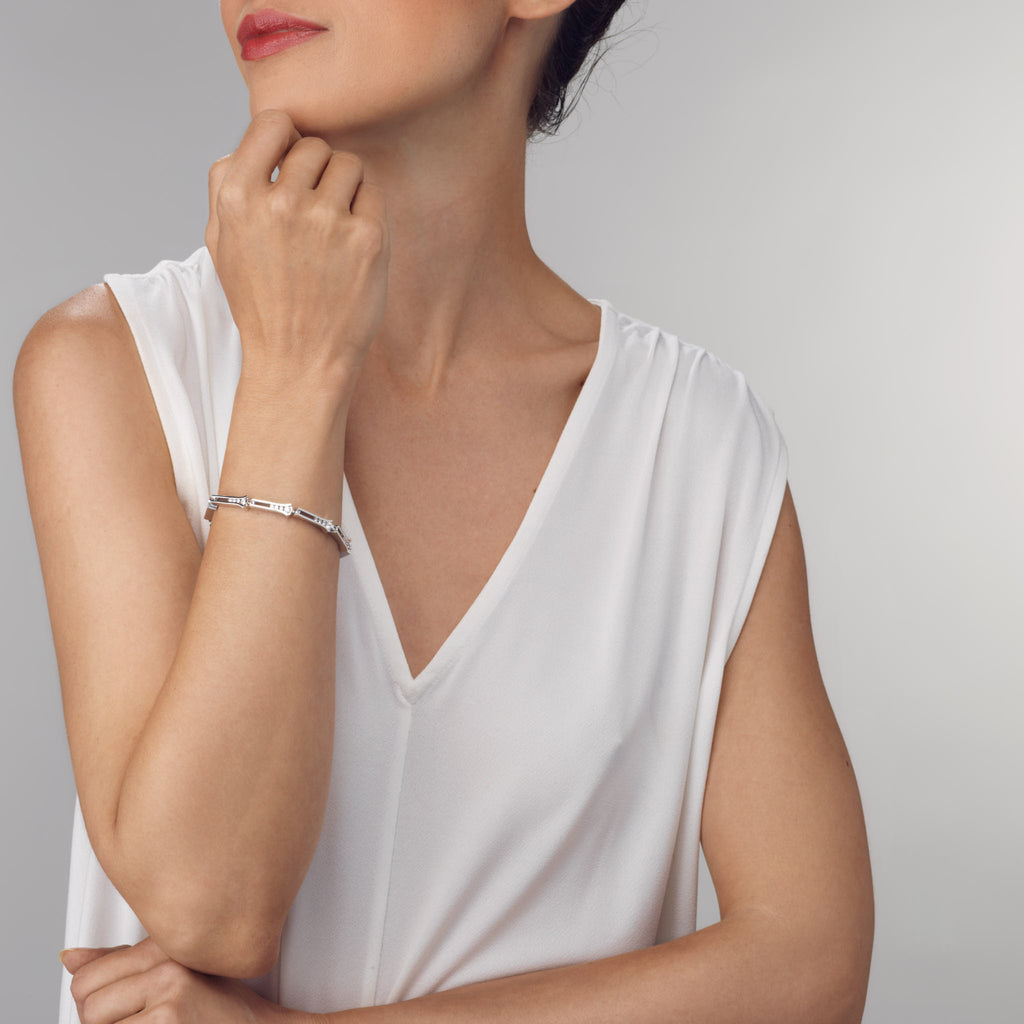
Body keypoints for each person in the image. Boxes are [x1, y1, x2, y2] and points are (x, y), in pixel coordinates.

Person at [13, 1, 874, 1022]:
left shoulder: (694, 443)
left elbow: (811, 968)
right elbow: (212, 902)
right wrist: (293, 376)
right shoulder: (109, 365)